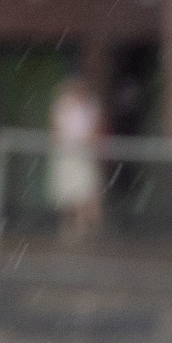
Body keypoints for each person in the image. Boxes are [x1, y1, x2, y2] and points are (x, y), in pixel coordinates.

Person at [49, 74, 104, 239]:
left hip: (85, 155)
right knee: (68, 192)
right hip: (67, 155)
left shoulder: (91, 106)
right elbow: (56, 129)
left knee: (87, 191)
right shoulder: (61, 106)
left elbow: (95, 130)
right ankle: (70, 227)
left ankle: (87, 228)